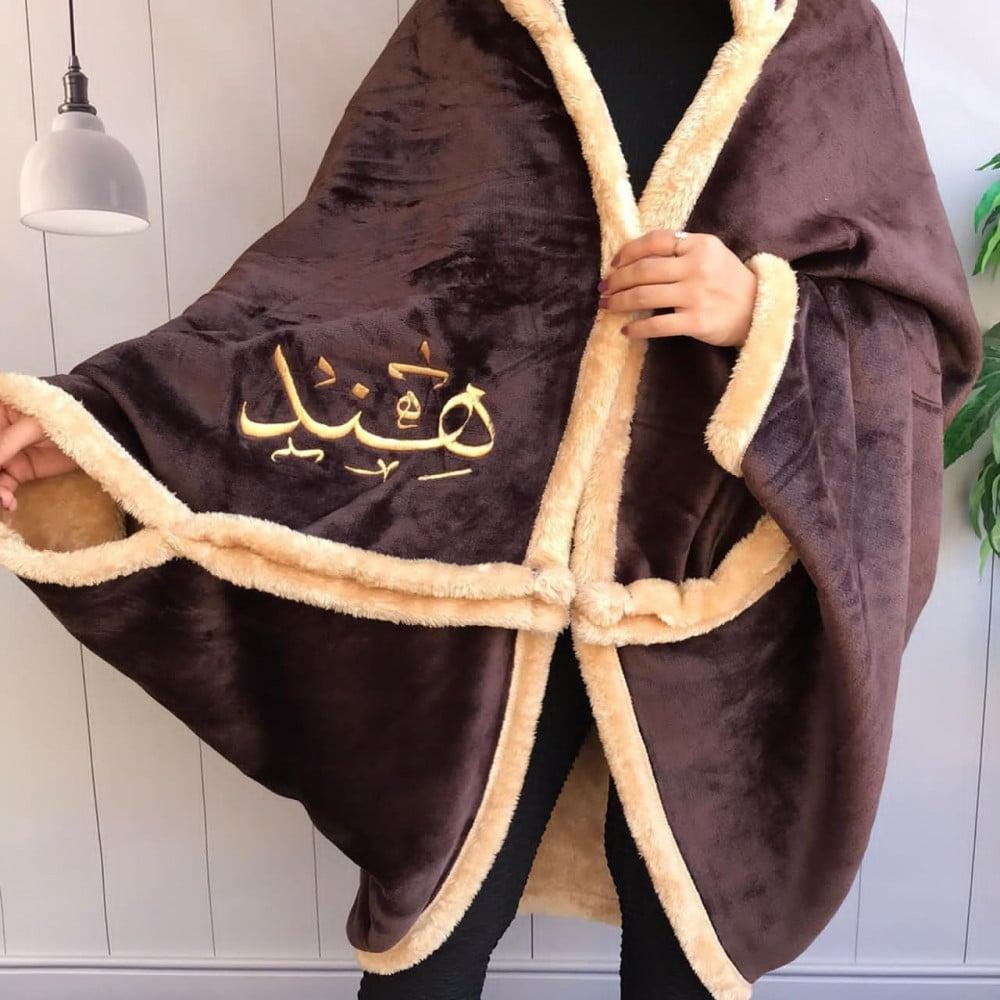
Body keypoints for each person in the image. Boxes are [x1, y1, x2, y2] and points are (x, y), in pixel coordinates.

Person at [0, 0, 982, 998]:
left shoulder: (825, 38)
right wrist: (100, 420)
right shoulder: (470, 24)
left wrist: (762, 312)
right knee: (431, 947)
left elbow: (915, 341)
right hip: (483, 583)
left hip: (718, 583)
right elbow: (324, 290)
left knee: (684, 956)